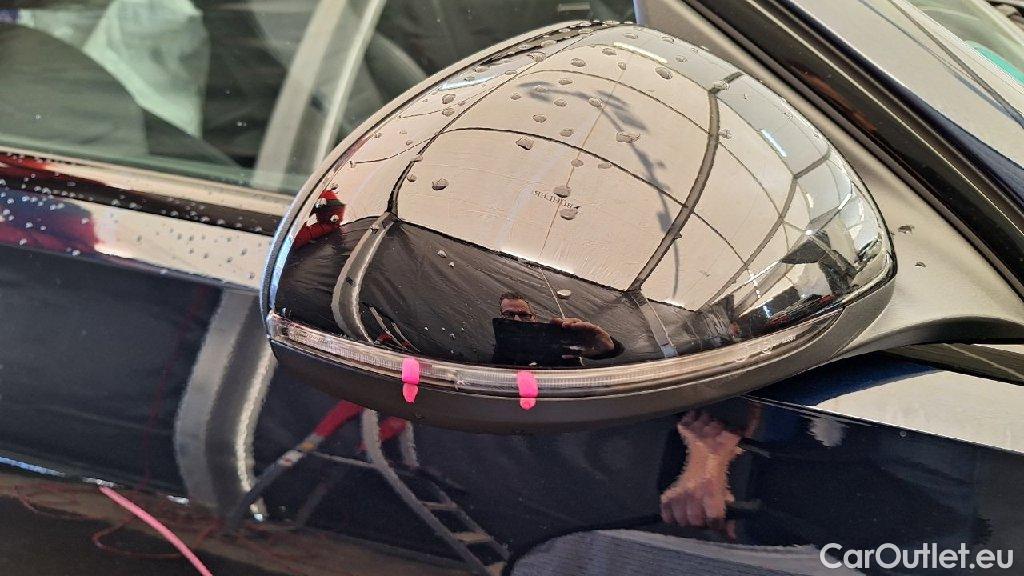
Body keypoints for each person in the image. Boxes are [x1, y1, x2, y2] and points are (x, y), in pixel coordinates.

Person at [493, 291, 621, 367]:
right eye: (508, 315)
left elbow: (618, 352)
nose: (517, 320)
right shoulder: (496, 351)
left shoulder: (553, 339)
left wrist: (609, 346)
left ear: (534, 318)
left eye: (524, 315)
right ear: (500, 319)